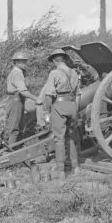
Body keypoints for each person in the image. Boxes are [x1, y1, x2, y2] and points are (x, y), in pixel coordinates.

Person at [42, 48, 81, 179]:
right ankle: (76, 168)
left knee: (59, 139)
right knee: (70, 137)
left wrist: (46, 111)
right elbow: (78, 94)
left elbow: (48, 95)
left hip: (59, 105)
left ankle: (61, 172)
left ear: (54, 61)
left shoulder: (54, 73)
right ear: (64, 58)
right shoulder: (74, 73)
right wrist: (75, 108)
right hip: (72, 105)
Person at [5, 51, 42, 146]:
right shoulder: (17, 73)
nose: (25, 64)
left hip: (17, 100)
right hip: (15, 100)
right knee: (15, 127)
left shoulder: (17, 72)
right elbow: (23, 91)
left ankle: (16, 148)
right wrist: (36, 98)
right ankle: (12, 151)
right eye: (22, 62)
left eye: (25, 61)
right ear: (16, 63)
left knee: (18, 126)